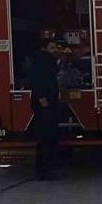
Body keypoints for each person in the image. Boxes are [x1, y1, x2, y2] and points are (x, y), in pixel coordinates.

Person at [29, 40, 61, 181]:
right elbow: (38, 82)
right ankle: (44, 171)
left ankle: (45, 170)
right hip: (44, 105)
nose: (55, 49)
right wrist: (44, 102)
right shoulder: (43, 60)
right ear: (44, 48)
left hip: (46, 104)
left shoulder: (45, 59)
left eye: (56, 47)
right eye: (52, 47)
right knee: (46, 138)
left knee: (47, 138)